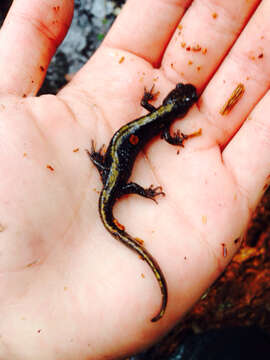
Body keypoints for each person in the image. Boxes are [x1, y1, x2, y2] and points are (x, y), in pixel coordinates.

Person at [0, 0, 269, 358]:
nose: (185, 100)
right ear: (179, 106)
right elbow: (169, 136)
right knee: (123, 180)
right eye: (184, 99)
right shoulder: (163, 123)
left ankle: (106, 164)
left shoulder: (159, 115)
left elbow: (154, 117)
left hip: (113, 165)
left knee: (116, 170)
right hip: (115, 175)